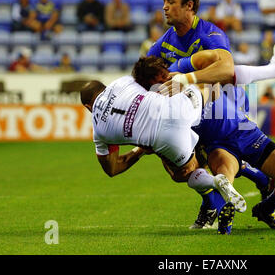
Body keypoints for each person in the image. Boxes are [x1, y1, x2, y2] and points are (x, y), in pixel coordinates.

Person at [133, 53, 275, 231]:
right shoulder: (158, 112)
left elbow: (222, 69)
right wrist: (140, 151)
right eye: (161, 80)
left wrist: (188, 80)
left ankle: (266, 208)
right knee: (214, 177)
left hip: (245, 132)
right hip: (218, 147)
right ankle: (224, 207)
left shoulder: (183, 72)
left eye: (167, 75)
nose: (168, 80)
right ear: (152, 88)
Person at [80, 73, 245, 235]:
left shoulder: (99, 131)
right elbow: (158, 82)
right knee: (208, 87)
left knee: (183, 172)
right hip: (179, 106)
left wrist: (139, 150)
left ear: (88, 107)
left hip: (166, 138)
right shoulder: (122, 82)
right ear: (105, 87)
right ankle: (238, 128)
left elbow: (113, 168)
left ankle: (215, 182)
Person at [147, 0, 275, 91]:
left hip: (223, 104)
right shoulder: (161, 44)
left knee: (223, 73)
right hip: (189, 108)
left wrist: (185, 79)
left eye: (171, 2)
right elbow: (143, 78)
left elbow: (227, 70)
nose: (164, 7)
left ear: (189, 5)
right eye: (164, 1)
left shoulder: (211, 33)